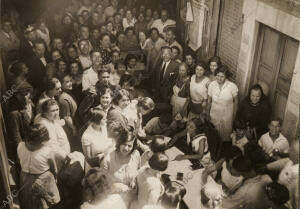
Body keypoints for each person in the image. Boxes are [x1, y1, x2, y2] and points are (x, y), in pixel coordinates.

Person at [18, 124, 60, 209]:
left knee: (29, 202)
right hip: (44, 178)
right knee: (48, 203)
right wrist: (55, 178)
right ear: (41, 140)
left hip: (25, 178)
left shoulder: (21, 146)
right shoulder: (46, 151)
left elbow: (20, 161)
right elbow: (54, 169)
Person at [101, 128, 141, 207]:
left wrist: (134, 182)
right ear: (119, 143)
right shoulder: (108, 159)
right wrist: (116, 186)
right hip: (114, 199)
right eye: (124, 144)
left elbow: (138, 171)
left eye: (129, 146)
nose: (126, 148)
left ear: (133, 146)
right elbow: (102, 184)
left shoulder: (136, 154)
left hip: (131, 197)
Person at [207, 65, 238, 141]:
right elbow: (209, 101)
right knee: (213, 136)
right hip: (214, 115)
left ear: (226, 76)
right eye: (217, 75)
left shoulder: (232, 86)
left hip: (227, 117)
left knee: (225, 138)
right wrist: (207, 115)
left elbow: (236, 103)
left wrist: (233, 116)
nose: (219, 78)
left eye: (222, 76)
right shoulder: (212, 85)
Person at [37, 99, 71, 167]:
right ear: (45, 112)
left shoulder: (50, 118)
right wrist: (65, 157)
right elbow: (52, 146)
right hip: (58, 160)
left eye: (57, 109)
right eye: (53, 111)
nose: (56, 113)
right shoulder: (44, 126)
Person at [7, 81, 34, 160]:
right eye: (24, 94)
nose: (28, 96)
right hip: (26, 150)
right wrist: (24, 154)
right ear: (17, 96)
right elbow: (16, 137)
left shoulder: (31, 105)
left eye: (29, 93)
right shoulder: (14, 114)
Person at [58, 74, 78, 146]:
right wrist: (74, 129)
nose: (70, 83)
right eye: (67, 82)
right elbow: (66, 117)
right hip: (69, 128)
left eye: (70, 81)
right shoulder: (63, 98)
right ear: (61, 84)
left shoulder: (68, 93)